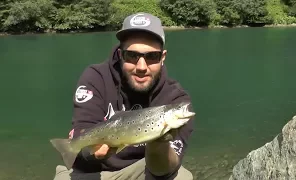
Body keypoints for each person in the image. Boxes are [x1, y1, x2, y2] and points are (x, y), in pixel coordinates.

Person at [53, 12, 195, 180]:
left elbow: (164, 170)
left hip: (140, 171)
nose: (141, 66)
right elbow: (82, 132)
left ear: (162, 57)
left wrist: (159, 145)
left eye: (152, 56)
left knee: (181, 177)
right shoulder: (95, 77)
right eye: (132, 56)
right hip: (91, 173)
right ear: (121, 54)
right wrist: (91, 151)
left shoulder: (176, 99)